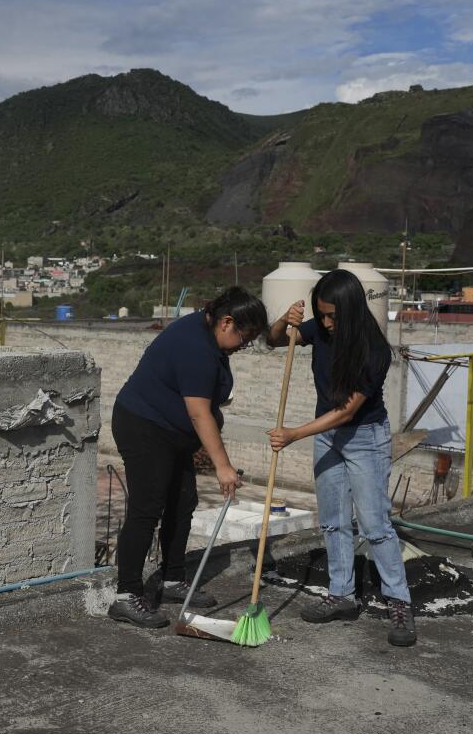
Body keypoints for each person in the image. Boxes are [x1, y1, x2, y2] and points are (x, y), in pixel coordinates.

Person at [265, 269, 416, 647]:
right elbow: (274, 341)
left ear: (350, 310)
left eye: (333, 316)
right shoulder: (321, 326)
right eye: (322, 314)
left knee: (374, 525)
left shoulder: (374, 350)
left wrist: (296, 433)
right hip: (326, 435)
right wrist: (286, 320)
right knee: (333, 522)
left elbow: (348, 412)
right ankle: (342, 594)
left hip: (365, 437)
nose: (326, 324)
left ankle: (400, 602)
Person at [107, 287, 268, 628]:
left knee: (182, 502)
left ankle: (171, 578)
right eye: (245, 336)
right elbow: (198, 413)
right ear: (227, 322)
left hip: (173, 433)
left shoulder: (206, 331)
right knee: (147, 508)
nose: (244, 345)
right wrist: (223, 466)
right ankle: (126, 595)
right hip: (145, 427)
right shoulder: (196, 348)